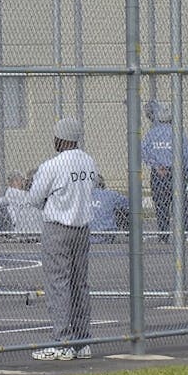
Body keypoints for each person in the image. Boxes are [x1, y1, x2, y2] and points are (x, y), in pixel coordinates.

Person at [30, 118, 97, 361]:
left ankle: (62, 341)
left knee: (58, 283)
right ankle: (82, 341)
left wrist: (50, 202)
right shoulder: (89, 162)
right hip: (82, 227)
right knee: (80, 283)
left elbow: (35, 197)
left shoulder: (53, 165)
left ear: (61, 139)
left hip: (57, 227)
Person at [140, 103, 188, 243]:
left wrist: (156, 165)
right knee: (181, 204)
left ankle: (163, 234)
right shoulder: (178, 133)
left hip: (158, 174)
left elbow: (143, 152)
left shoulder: (151, 134)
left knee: (160, 205)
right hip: (175, 172)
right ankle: (182, 234)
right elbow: (186, 154)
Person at [90, 175, 130, 244]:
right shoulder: (111, 194)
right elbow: (129, 205)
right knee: (120, 209)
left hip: (85, 237)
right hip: (107, 235)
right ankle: (132, 235)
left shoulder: (82, 195)